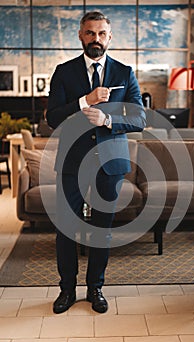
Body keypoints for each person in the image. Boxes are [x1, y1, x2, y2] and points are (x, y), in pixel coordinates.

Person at [46, 11, 146, 314]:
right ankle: (66, 290)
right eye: (90, 33)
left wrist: (108, 119)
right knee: (66, 227)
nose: (96, 39)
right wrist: (84, 102)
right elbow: (52, 118)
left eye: (102, 34)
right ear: (80, 35)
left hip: (110, 165)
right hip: (72, 161)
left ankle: (96, 288)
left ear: (110, 37)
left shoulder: (125, 73)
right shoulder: (64, 72)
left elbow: (140, 118)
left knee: (102, 229)